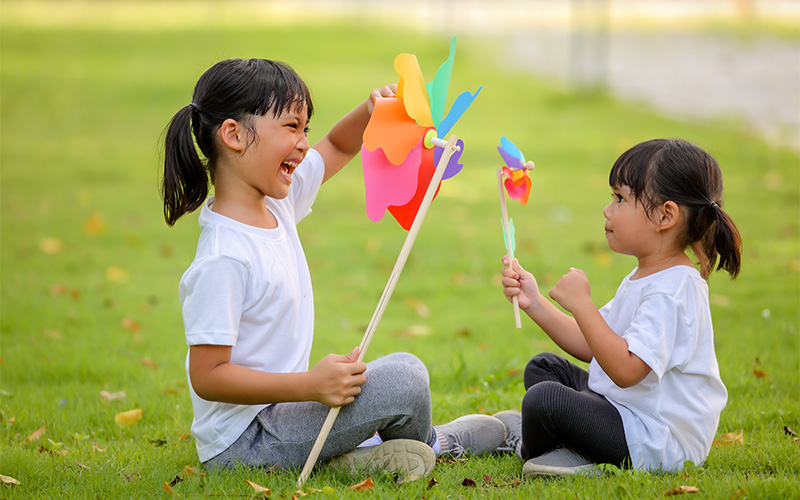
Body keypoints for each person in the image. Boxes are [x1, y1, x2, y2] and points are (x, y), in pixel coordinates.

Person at [160, 58, 506, 476]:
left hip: (282, 417)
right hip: (244, 445)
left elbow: (339, 146)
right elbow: (209, 376)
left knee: (408, 365)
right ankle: (436, 442)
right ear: (233, 134)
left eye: (305, 129)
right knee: (404, 384)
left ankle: (358, 456)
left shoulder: (276, 202)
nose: (304, 142)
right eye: (291, 127)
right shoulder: (224, 256)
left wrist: (370, 111)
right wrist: (309, 385)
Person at [494, 138, 742, 476]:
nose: (607, 210)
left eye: (620, 198)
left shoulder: (672, 291)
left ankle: (528, 445)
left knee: (545, 400)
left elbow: (626, 371)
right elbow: (593, 346)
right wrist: (534, 302)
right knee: (544, 368)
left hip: (653, 440)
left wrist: (583, 305)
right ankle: (565, 448)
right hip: (625, 413)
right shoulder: (647, 274)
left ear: (664, 215)